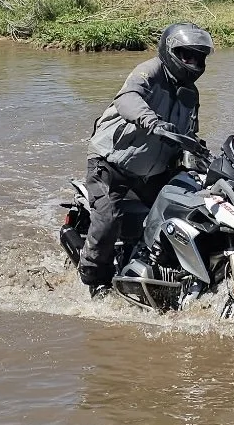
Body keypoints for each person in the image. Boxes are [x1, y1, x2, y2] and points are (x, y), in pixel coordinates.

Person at [77, 22, 214, 295]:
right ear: (169, 51)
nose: (193, 62)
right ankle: (94, 277)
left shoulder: (190, 93)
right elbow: (127, 98)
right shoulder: (149, 71)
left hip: (152, 170)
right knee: (108, 220)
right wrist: (152, 122)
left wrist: (201, 152)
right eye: (186, 55)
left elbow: (188, 132)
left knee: (188, 211)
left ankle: (168, 272)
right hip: (111, 161)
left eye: (198, 56)